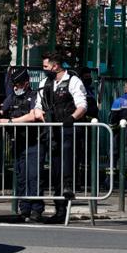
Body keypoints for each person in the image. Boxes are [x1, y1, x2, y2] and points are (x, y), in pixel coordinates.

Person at [34, 52, 88, 224]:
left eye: (46, 67)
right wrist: (40, 114)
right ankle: (59, 210)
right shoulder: (45, 83)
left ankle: (64, 207)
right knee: (56, 170)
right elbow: (37, 105)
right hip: (52, 133)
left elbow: (82, 106)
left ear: (55, 66)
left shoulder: (73, 81)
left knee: (67, 169)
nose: (44, 70)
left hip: (69, 132)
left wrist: (71, 118)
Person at [0, 67, 44, 222]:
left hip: (34, 141)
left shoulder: (35, 96)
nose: (16, 87)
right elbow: (3, 112)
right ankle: (25, 209)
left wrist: (10, 121)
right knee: (21, 176)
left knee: (34, 176)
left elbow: (33, 116)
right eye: (14, 84)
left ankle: (36, 209)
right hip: (18, 142)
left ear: (27, 83)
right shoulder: (12, 97)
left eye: (19, 84)